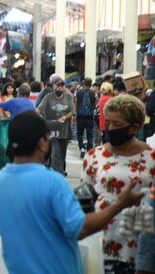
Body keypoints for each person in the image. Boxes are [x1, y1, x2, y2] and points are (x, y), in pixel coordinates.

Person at [0, 110, 145, 274]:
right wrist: (120, 203)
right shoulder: (52, 182)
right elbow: (80, 229)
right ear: (42, 143)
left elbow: (2, 229)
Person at [81, 94, 155, 273]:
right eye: (109, 123)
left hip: (138, 244)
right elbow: (83, 203)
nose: (111, 128)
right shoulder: (94, 156)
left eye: (118, 124)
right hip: (101, 241)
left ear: (135, 127)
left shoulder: (151, 158)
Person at [36, 77, 74, 175]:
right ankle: (59, 174)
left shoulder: (68, 97)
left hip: (65, 130)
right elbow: (39, 109)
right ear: (53, 87)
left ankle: (60, 170)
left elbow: (72, 112)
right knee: (56, 153)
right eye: (58, 86)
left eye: (62, 86)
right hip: (52, 129)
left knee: (62, 154)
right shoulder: (48, 97)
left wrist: (65, 117)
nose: (60, 88)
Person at [75, 77, 96, 158]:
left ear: (83, 83)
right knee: (90, 135)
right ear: (90, 84)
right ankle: (89, 150)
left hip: (80, 116)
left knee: (79, 134)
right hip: (90, 116)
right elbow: (95, 104)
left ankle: (82, 148)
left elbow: (76, 103)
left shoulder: (78, 92)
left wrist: (75, 113)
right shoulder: (93, 93)